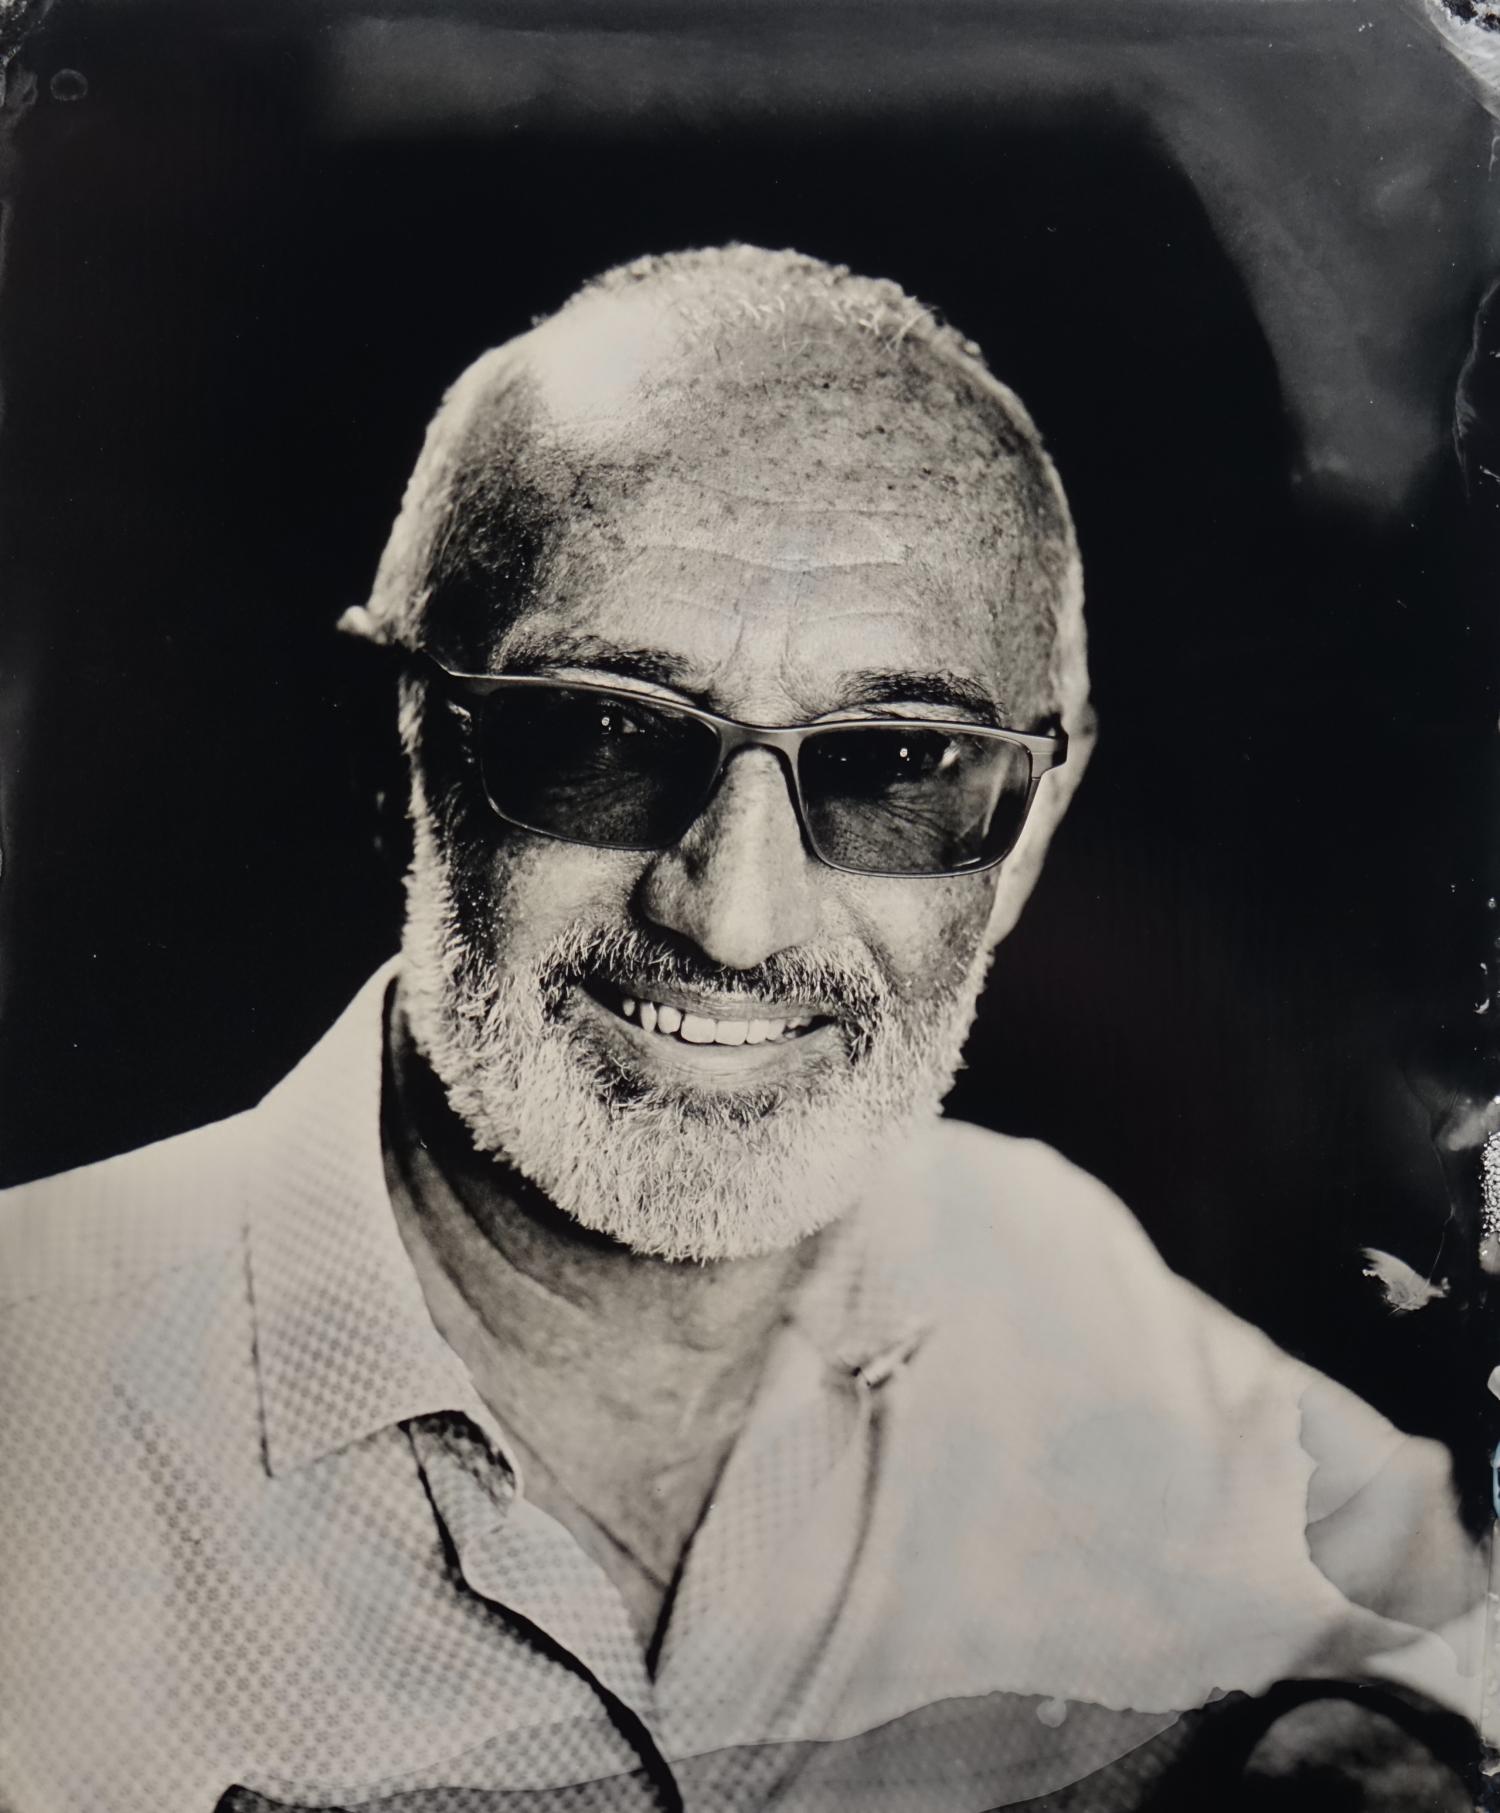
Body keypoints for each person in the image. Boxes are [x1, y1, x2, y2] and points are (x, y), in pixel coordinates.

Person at [0, 245, 1484, 1812]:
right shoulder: (36, 1393)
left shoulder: (1051, 1282)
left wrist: (1364, 1743)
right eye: (603, 730)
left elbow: (1461, 1617)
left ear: (1035, 826)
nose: (735, 917)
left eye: (898, 762)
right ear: (405, 744)